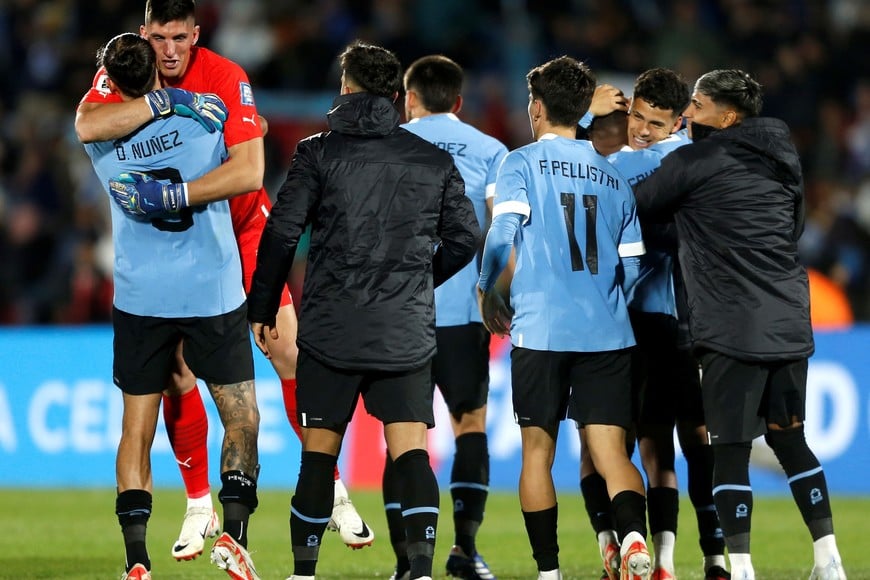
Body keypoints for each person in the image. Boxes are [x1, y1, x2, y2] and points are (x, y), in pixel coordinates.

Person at [74, 0, 373, 562]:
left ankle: (327, 490)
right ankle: (197, 504)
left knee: (287, 351)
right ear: (144, 34)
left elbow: (249, 171)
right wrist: (162, 104)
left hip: (241, 227)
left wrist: (177, 192)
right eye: (159, 37)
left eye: (179, 38)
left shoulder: (224, 76)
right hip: (183, 249)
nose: (168, 50)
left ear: (196, 33)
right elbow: (87, 122)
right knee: (176, 376)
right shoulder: (124, 72)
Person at [247, 41, 481, 580]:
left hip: (332, 330)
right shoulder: (433, 159)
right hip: (403, 329)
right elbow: (465, 238)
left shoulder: (317, 153)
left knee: (318, 456)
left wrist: (264, 304)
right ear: (396, 94)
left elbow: (282, 231)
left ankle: (303, 573)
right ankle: (420, 569)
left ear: (346, 87)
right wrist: (419, 280)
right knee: (411, 454)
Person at [633, 69, 847, 580]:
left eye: (698, 106)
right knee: (790, 438)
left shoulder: (695, 159)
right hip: (789, 318)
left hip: (731, 324)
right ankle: (829, 559)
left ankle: (743, 568)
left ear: (727, 117)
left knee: (728, 447)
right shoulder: (784, 158)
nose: (687, 115)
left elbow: (634, 207)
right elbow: (789, 229)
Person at [81, 32, 260, 580]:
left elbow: (88, 119)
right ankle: (233, 532)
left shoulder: (100, 142)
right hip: (212, 292)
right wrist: (178, 104)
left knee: (136, 430)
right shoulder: (203, 122)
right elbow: (248, 172)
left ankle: (136, 560)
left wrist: (154, 100)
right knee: (242, 416)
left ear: (112, 82)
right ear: (159, 70)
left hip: (140, 299)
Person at [476, 55, 650, 580]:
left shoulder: (520, 163)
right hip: (608, 332)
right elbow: (636, 261)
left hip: (542, 328)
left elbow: (502, 236)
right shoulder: (614, 175)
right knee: (611, 452)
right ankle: (636, 541)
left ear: (535, 106)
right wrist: (609, 299)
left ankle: (549, 573)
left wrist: (488, 291)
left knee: (538, 452)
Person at [580, 68, 728, 580]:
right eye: (636, 116)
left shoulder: (656, 163)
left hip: (655, 322)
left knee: (621, 442)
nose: (642, 129)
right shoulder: (678, 160)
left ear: (679, 121)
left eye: (656, 123)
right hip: (655, 321)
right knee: (669, 442)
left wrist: (582, 120)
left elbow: (564, 170)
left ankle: (633, 551)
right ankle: (684, 559)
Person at [379, 54, 508, 580]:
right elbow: (501, 231)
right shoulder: (492, 151)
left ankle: (407, 560)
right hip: (463, 312)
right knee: (469, 424)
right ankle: (464, 550)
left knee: (402, 433)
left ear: (408, 98)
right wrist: (494, 294)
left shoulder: (386, 148)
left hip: (398, 312)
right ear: (458, 102)